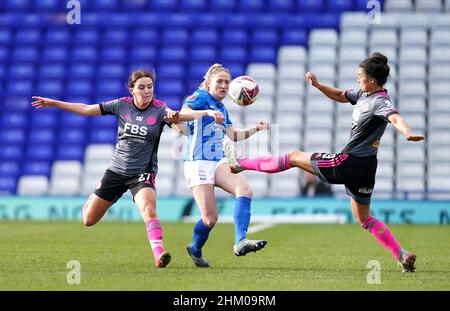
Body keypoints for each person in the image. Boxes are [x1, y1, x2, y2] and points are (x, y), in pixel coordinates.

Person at [225, 53, 425, 273]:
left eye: (360, 76)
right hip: (367, 168)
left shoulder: (380, 101)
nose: (357, 79)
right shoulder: (363, 95)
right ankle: (401, 255)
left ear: (372, 80)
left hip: (348, 162)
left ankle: (240, 163)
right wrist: (318, 85)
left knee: (293, 157)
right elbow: (340, 94)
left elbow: (395, 117)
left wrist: (408, 133)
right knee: (364, 218)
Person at [31, 69, 184, 268]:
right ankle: (94, 197)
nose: (147, 91)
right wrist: (55, 103)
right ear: (132, 90)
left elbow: (182, 130)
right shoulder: (121, 105)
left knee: (149, 209)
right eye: (141, 87)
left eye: (150, 87)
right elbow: (86, 109)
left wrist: (177, 121)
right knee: (88, 220)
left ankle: (158, 254)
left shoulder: (161, 109)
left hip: (142, 174)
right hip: (116, 171)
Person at [174, 63, 270, 268]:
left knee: (244, 189)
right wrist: (207, 113)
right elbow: (181, 113)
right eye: (220, 81)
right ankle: (196, 250)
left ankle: (240, 241)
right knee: (210, 219)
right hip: (197, 162)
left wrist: (256, 128)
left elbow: (233, 134)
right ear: (209, 83)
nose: (224, 85)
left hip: (217, 161)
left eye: (227, 82)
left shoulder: (221, 107)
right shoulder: (200, 97)